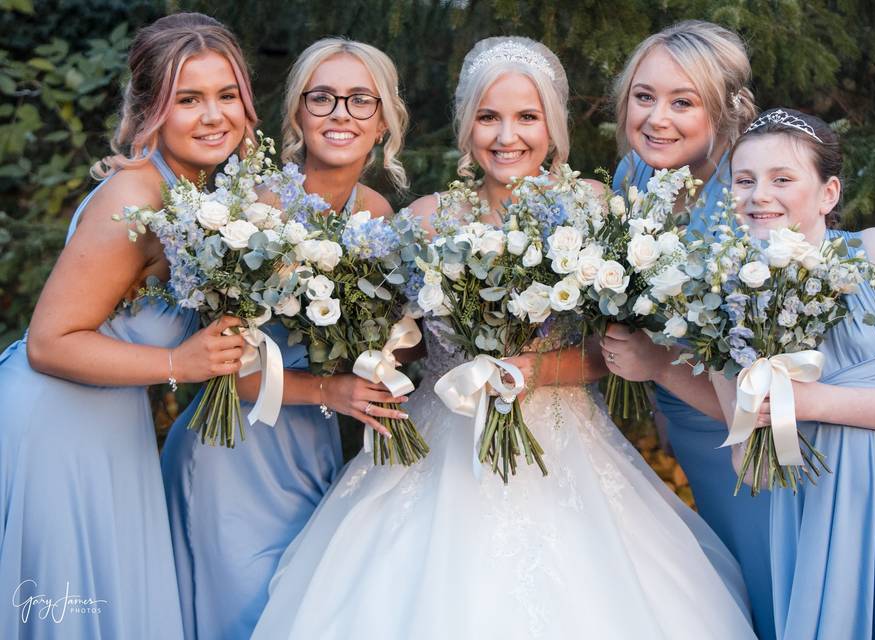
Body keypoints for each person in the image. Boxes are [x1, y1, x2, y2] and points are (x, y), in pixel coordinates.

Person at [250, 36, 756, 640]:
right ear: (467, 128)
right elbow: (403, 342)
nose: (506, 135)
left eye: (526, 117)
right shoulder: (424, 220)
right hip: (440, 439)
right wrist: (379, 347)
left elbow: (613, 350)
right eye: (489, 117)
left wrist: (534, 369)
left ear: (553, 128)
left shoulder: (592, 209)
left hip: (564, 444)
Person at [608, 107, 875, 638]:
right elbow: (750, 453)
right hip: (810, 509)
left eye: (782, 179)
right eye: (745, 180)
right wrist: (659, 365)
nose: (759, 195)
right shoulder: (726, 293)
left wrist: (815, 403)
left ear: (828, 193)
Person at [0, 12, 255, 639]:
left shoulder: (199, 196)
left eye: (227, 95)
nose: (213, 115)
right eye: (188, 99)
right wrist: (180, 364)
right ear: (151, 112)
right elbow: (49, 342)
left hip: (110, 428)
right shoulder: (135, 195)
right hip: (59, 426)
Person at [161, 38, 410, 640]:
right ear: (297, 114)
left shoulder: (375, 213)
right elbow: (225, 368)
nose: (340, 114)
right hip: (232, 452)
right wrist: (340, 389)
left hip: (316, 450)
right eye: (321, 97)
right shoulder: (253, 206)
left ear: (383, 121)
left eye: (359, 100)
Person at [606, 20, 775, 639]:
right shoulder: (635, 176)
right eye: (644, 96)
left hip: (758, 442)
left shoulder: (746, 201)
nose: (657, 118)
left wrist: (655, 366)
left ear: (726, 112)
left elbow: (767, 401)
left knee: (770, 592)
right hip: (688, 425)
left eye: (684, 102)